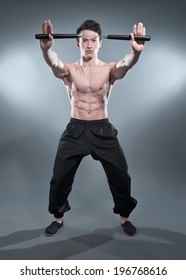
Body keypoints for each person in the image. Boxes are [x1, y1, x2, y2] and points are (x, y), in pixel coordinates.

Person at [39, 19, 146, 236]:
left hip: (102, 130)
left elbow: (126, 63)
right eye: (84, 40)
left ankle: (125, 217)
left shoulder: (108, 70)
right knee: (60, 177)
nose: (89, 44)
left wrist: (136, 52)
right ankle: (57, 218)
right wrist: (46, 50)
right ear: (77, 44)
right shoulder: (69, 70)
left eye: (93, 40)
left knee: (120, 175)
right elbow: (54, 63)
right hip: (75, 130)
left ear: (100, 43)